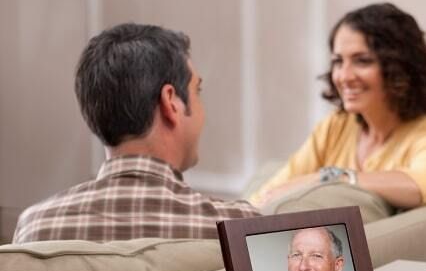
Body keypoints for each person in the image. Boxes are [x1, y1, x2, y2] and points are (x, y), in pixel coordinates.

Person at [13, 23, 259, 243]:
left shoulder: (35, 228)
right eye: (198, 90)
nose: (203, 109)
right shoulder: (237, 229)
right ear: (170, 102)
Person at [250, 2, 426, 209]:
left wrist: (330, 178)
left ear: (400, 69)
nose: (344, 76)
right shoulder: (337, 125)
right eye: (338, 61)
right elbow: (274, 189)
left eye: (362, 61)